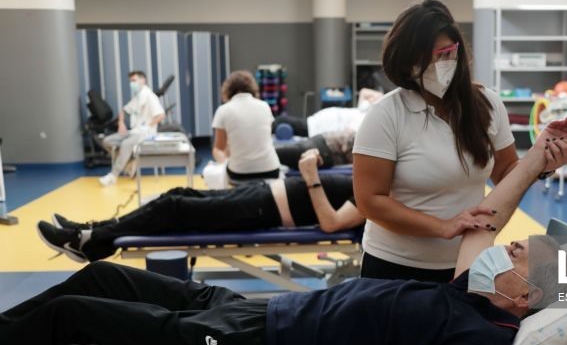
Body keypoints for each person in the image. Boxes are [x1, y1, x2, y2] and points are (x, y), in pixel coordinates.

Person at [0, 134, 567, 345]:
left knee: (75, 314)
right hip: (255, 313)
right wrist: (539, 155)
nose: (508, 247)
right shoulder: (474, 295)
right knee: (102, 276)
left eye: (521, 254)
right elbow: (487, 220)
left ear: (525, 296)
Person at [352, 0, 567, 283]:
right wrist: (442, 227)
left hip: (467, 264)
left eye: (446, 54)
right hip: (395, 267)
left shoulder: (487, 105)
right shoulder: (386, 115)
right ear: (407, 63)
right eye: (426, 59)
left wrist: (542, 163)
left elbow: (507, 172)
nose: (439, 65)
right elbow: (369, 201)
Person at [36, 150, 362, 262]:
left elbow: (332, 223)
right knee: (176, 194)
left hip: (262, 211)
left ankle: (91, 243)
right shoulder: (376, 182)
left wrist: (310, 176)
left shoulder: (380, 196)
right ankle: (91, 233)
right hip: (260, 196)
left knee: (174, 208)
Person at [212, 70, 281, 183]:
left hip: (239, 174)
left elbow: (219, 149)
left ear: (227, 90)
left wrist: (225, 163)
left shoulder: (223, 110)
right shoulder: (264, 106)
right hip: (271, 170)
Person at [99, 70, 165, 187]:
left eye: (134, 81)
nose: (132, 84)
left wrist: (147, 126)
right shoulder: (138, 97)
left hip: (146, 133)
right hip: (134, 131)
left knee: (126, 144)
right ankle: (129, 164)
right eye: (130, 81)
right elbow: (123, 110)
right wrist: (121, 123)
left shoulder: (150, 96)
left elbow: (161, 115)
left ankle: (113, 176)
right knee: (107, 141)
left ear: (142, 80)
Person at [273, 88, 384, 137]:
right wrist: (381, 97)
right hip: (324, 118)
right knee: (283, 121)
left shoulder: (365, 121)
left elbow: (348, 134)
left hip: (322, 127)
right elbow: (364, 91)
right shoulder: (366, 110)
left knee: (282, 121)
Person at [275, 128, 355, 169]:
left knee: (285, 154)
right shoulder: (360, 137)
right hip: (326, 149)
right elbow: (346, 147)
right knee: (284, 154)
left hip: (323, 141)